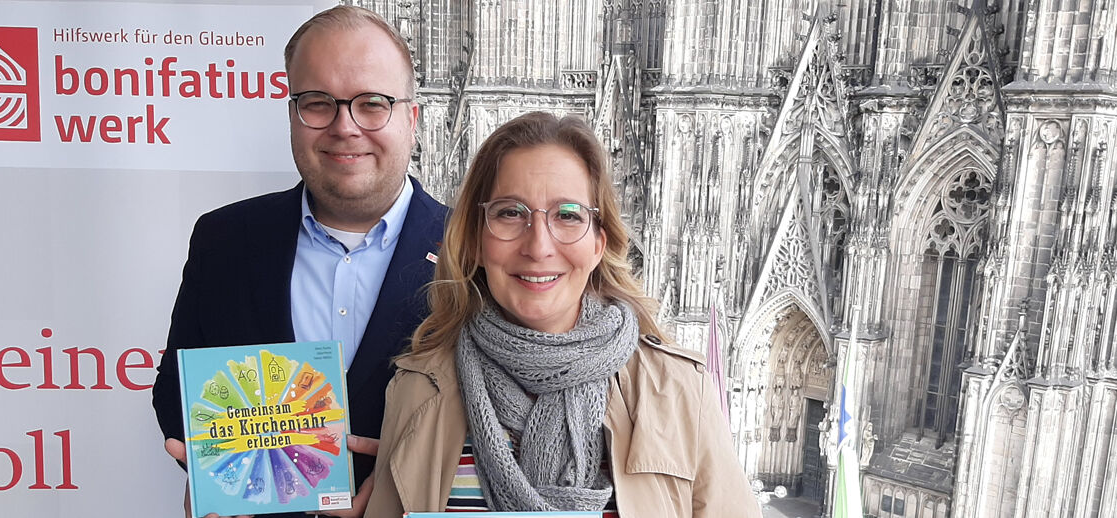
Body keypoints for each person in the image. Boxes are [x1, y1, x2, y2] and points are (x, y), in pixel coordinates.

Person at [364, 112, 761, 517]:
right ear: (477, 242)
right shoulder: (417, 390)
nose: (538, 247)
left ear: (598, 244)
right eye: (510, 213)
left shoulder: (679, 392)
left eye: (568, 215)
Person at [151, 6, 448, 517]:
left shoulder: (473, 252)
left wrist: (404, 478)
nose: (344, 127)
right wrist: (219, 470)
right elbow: (177, 397)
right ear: (293, 114)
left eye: (373, 104)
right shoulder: (223, 239)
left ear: (412, 118)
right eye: (317, 103)